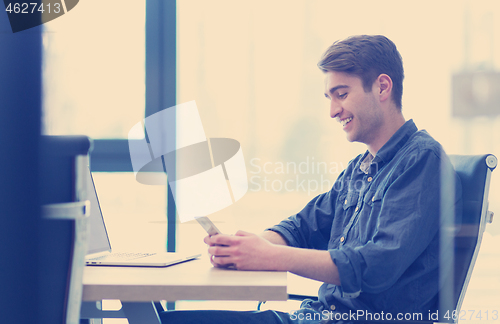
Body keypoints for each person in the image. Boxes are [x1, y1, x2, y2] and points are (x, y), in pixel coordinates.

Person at [160, 34, 462, 324]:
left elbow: (374, 267)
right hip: (315, 316)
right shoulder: (360, 168)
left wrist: (270, 257)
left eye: (342, 94)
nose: (332, 111)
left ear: (382, 87)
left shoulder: (423, 160)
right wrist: (246, 249)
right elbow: (303, 226)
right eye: (329, 98)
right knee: (159, 320)